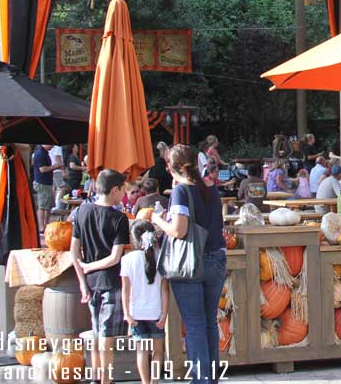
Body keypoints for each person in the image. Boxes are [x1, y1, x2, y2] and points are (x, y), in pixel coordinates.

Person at [150, 145, 226, 384]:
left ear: (169, 167)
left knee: (194, 325)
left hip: (191, 263)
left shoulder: (182, 191)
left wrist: (156, 220)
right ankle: (210, 378)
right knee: (209, 322)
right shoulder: (210, 188)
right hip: (217, 258)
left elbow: (179, 231)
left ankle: (201, 380)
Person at [71, 169, 130, 384]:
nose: (124, 193)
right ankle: (106, 379)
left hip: (91, 283)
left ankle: (97, 376)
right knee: (107, 336)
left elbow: (73, 250)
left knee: (97, 332)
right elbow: (115, 257)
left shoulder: (82, 212)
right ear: (114, 190)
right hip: (112, 281)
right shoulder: (119, 218)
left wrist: (83, 280)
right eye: (123, 189)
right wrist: (89, 267)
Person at [120, 220, 169, 384]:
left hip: (136, 314)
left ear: (133, 239)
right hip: (156, 312)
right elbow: (165, 289)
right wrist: (164, 313)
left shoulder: (127, 260)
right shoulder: (161, 257)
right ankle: (155, 382)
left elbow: (126, 290)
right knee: (158, 351)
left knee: (142, 351)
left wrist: (126, 314)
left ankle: (145, 382)